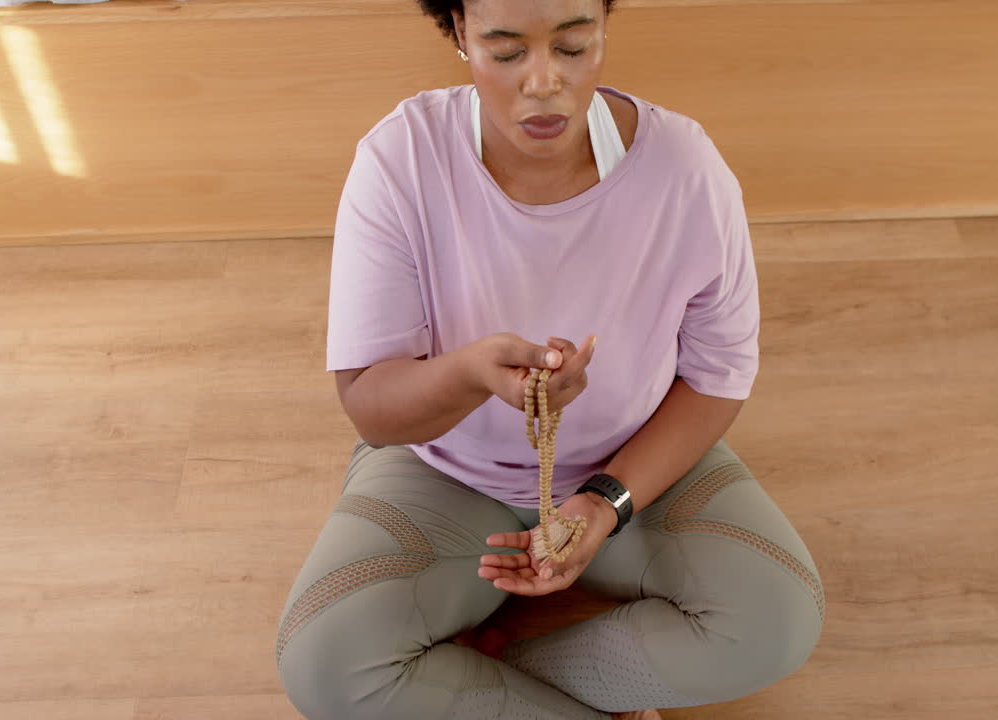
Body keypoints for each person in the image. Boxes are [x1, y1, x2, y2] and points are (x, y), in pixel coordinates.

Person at [275, 0, 824, 717]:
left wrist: (604, 502)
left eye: (572, 46)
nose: (543, 83)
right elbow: (373, 411)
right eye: (506, 51)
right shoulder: (400, 159)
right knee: (321, 663)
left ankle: (493, 673)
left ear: (604, 28)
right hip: (444, 472)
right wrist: (471, 373)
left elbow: (718, 376)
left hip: (633, 465)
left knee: (779, 619)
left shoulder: (686, 171)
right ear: (460, 33)